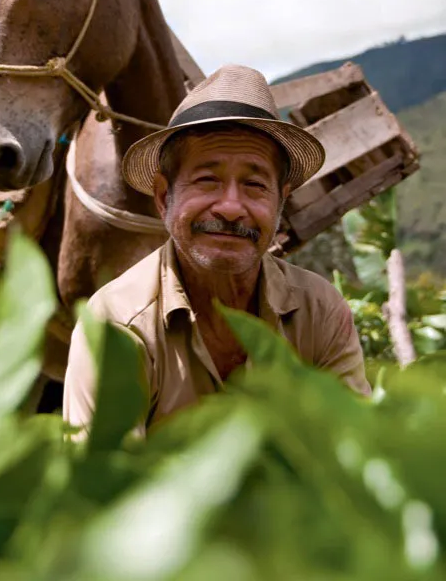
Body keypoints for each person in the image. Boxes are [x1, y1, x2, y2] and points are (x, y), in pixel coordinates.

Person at [63, 65, 371, 437]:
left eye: (255, 184)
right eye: (207, 180)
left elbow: (354, 454)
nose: (230, 207)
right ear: (164, 198)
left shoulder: (318, 311)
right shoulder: (117, 326)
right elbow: (106, 487)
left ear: (280, 202)